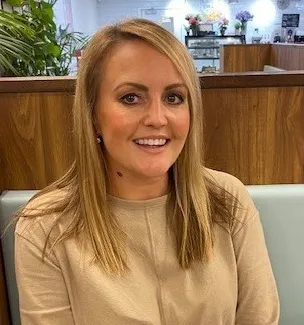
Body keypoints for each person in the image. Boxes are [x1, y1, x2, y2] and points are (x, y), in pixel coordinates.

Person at [14, 18, 279, 325]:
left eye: (174, 98)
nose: (157, 118)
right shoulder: (44, 227)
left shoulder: (227, 199)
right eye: (131, 98)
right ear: (94, 116)